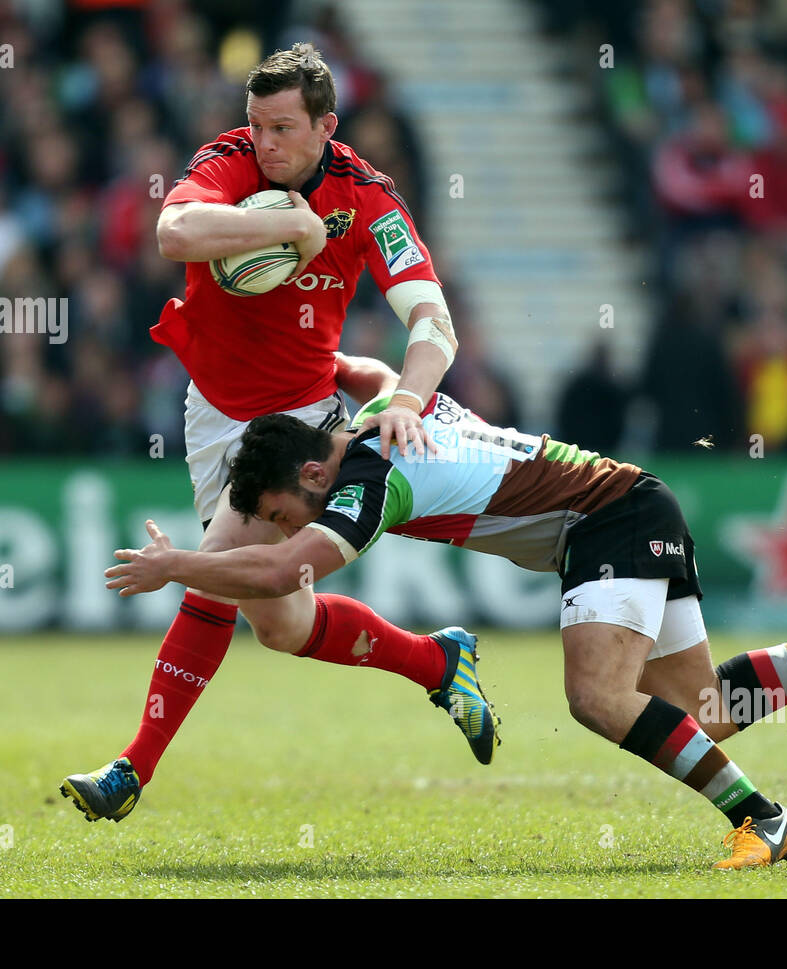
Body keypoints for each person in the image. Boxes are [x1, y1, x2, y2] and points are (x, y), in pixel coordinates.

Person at [103, 355, 787, 869]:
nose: (294, 528)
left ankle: (765, 821)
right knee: (701, 711)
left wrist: (179, 564)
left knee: (597, 697)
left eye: (288, 509)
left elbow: (290, 569)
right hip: (634, 500)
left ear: (311, 478)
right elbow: (366, 369)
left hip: (607, 520)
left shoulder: (368, 481)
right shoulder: (382, 410)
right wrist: (303, 360)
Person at [60, 44, 499, 825]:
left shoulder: (368, 199)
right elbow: (174, 233)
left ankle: (131, 769)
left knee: (218, 571)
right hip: (213, 413)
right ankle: (438, 660)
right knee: (283, 625)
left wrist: (408, 397)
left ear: (327, 125)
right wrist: (286, 224)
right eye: (258, 124)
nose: (266, 143)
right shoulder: (229, 160)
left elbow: (433, 319)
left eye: (284, 128)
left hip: (302, 419)